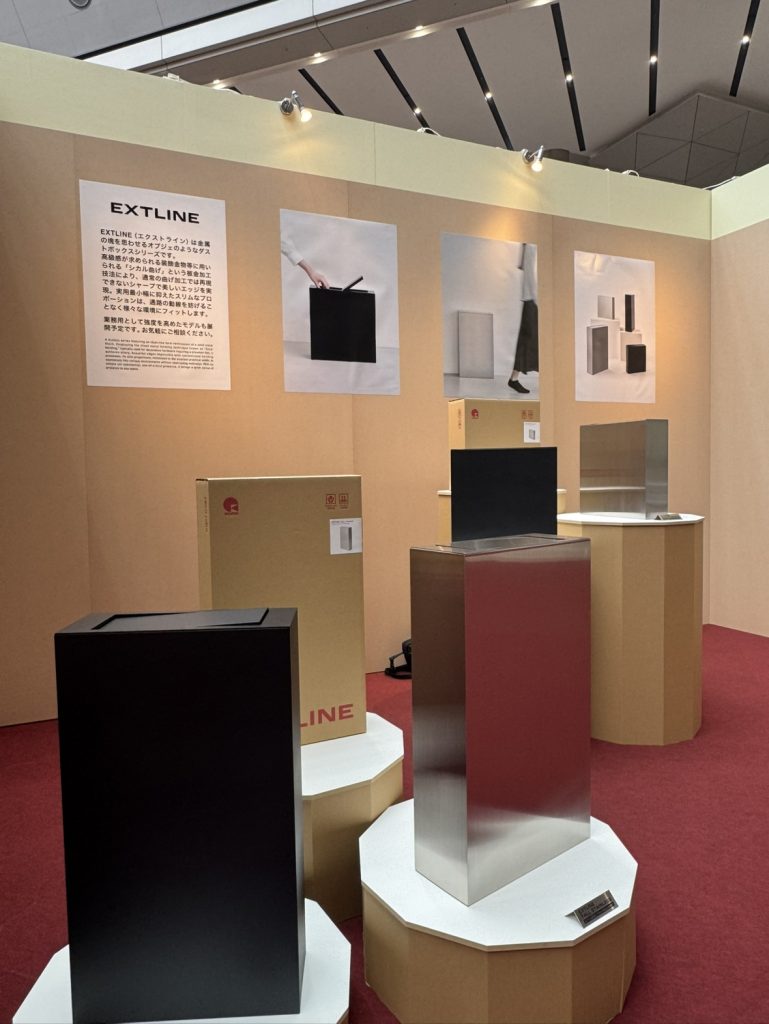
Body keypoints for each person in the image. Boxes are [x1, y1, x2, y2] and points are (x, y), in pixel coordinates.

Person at [508, 242, 539, 393]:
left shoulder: (531, 244)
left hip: (535, 298)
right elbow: (531, 273)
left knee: (534, 339)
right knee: (528, 339)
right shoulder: (532, 244)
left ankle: (514, 378)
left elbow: (523, 267)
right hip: (533, 299)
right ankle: (513, 379)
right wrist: (537, 299)